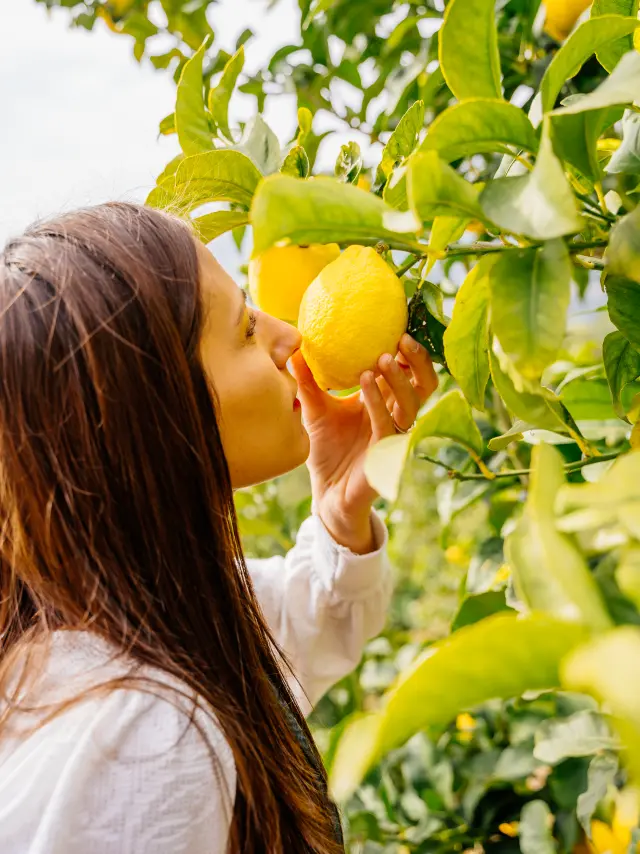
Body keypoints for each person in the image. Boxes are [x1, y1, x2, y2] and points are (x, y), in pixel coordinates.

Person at [0, 202, 437, 854]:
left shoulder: (140, 615)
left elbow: (296, 626)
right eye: (246, 330)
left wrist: (339, 511)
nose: (290, 336)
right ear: (147, 412)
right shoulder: (145, 741)